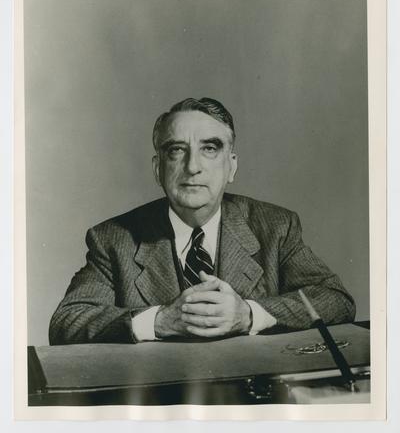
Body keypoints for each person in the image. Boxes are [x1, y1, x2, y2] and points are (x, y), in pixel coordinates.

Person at [49, 97, 355, 345]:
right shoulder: (114, 239)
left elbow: (336, 301)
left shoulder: (275, 227)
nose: (192, 166)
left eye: (209, 149)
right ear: (158, 169)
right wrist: (159, 321)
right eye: (177, 151)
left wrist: (249, 314)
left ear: (231, 167)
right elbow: (68, 321)